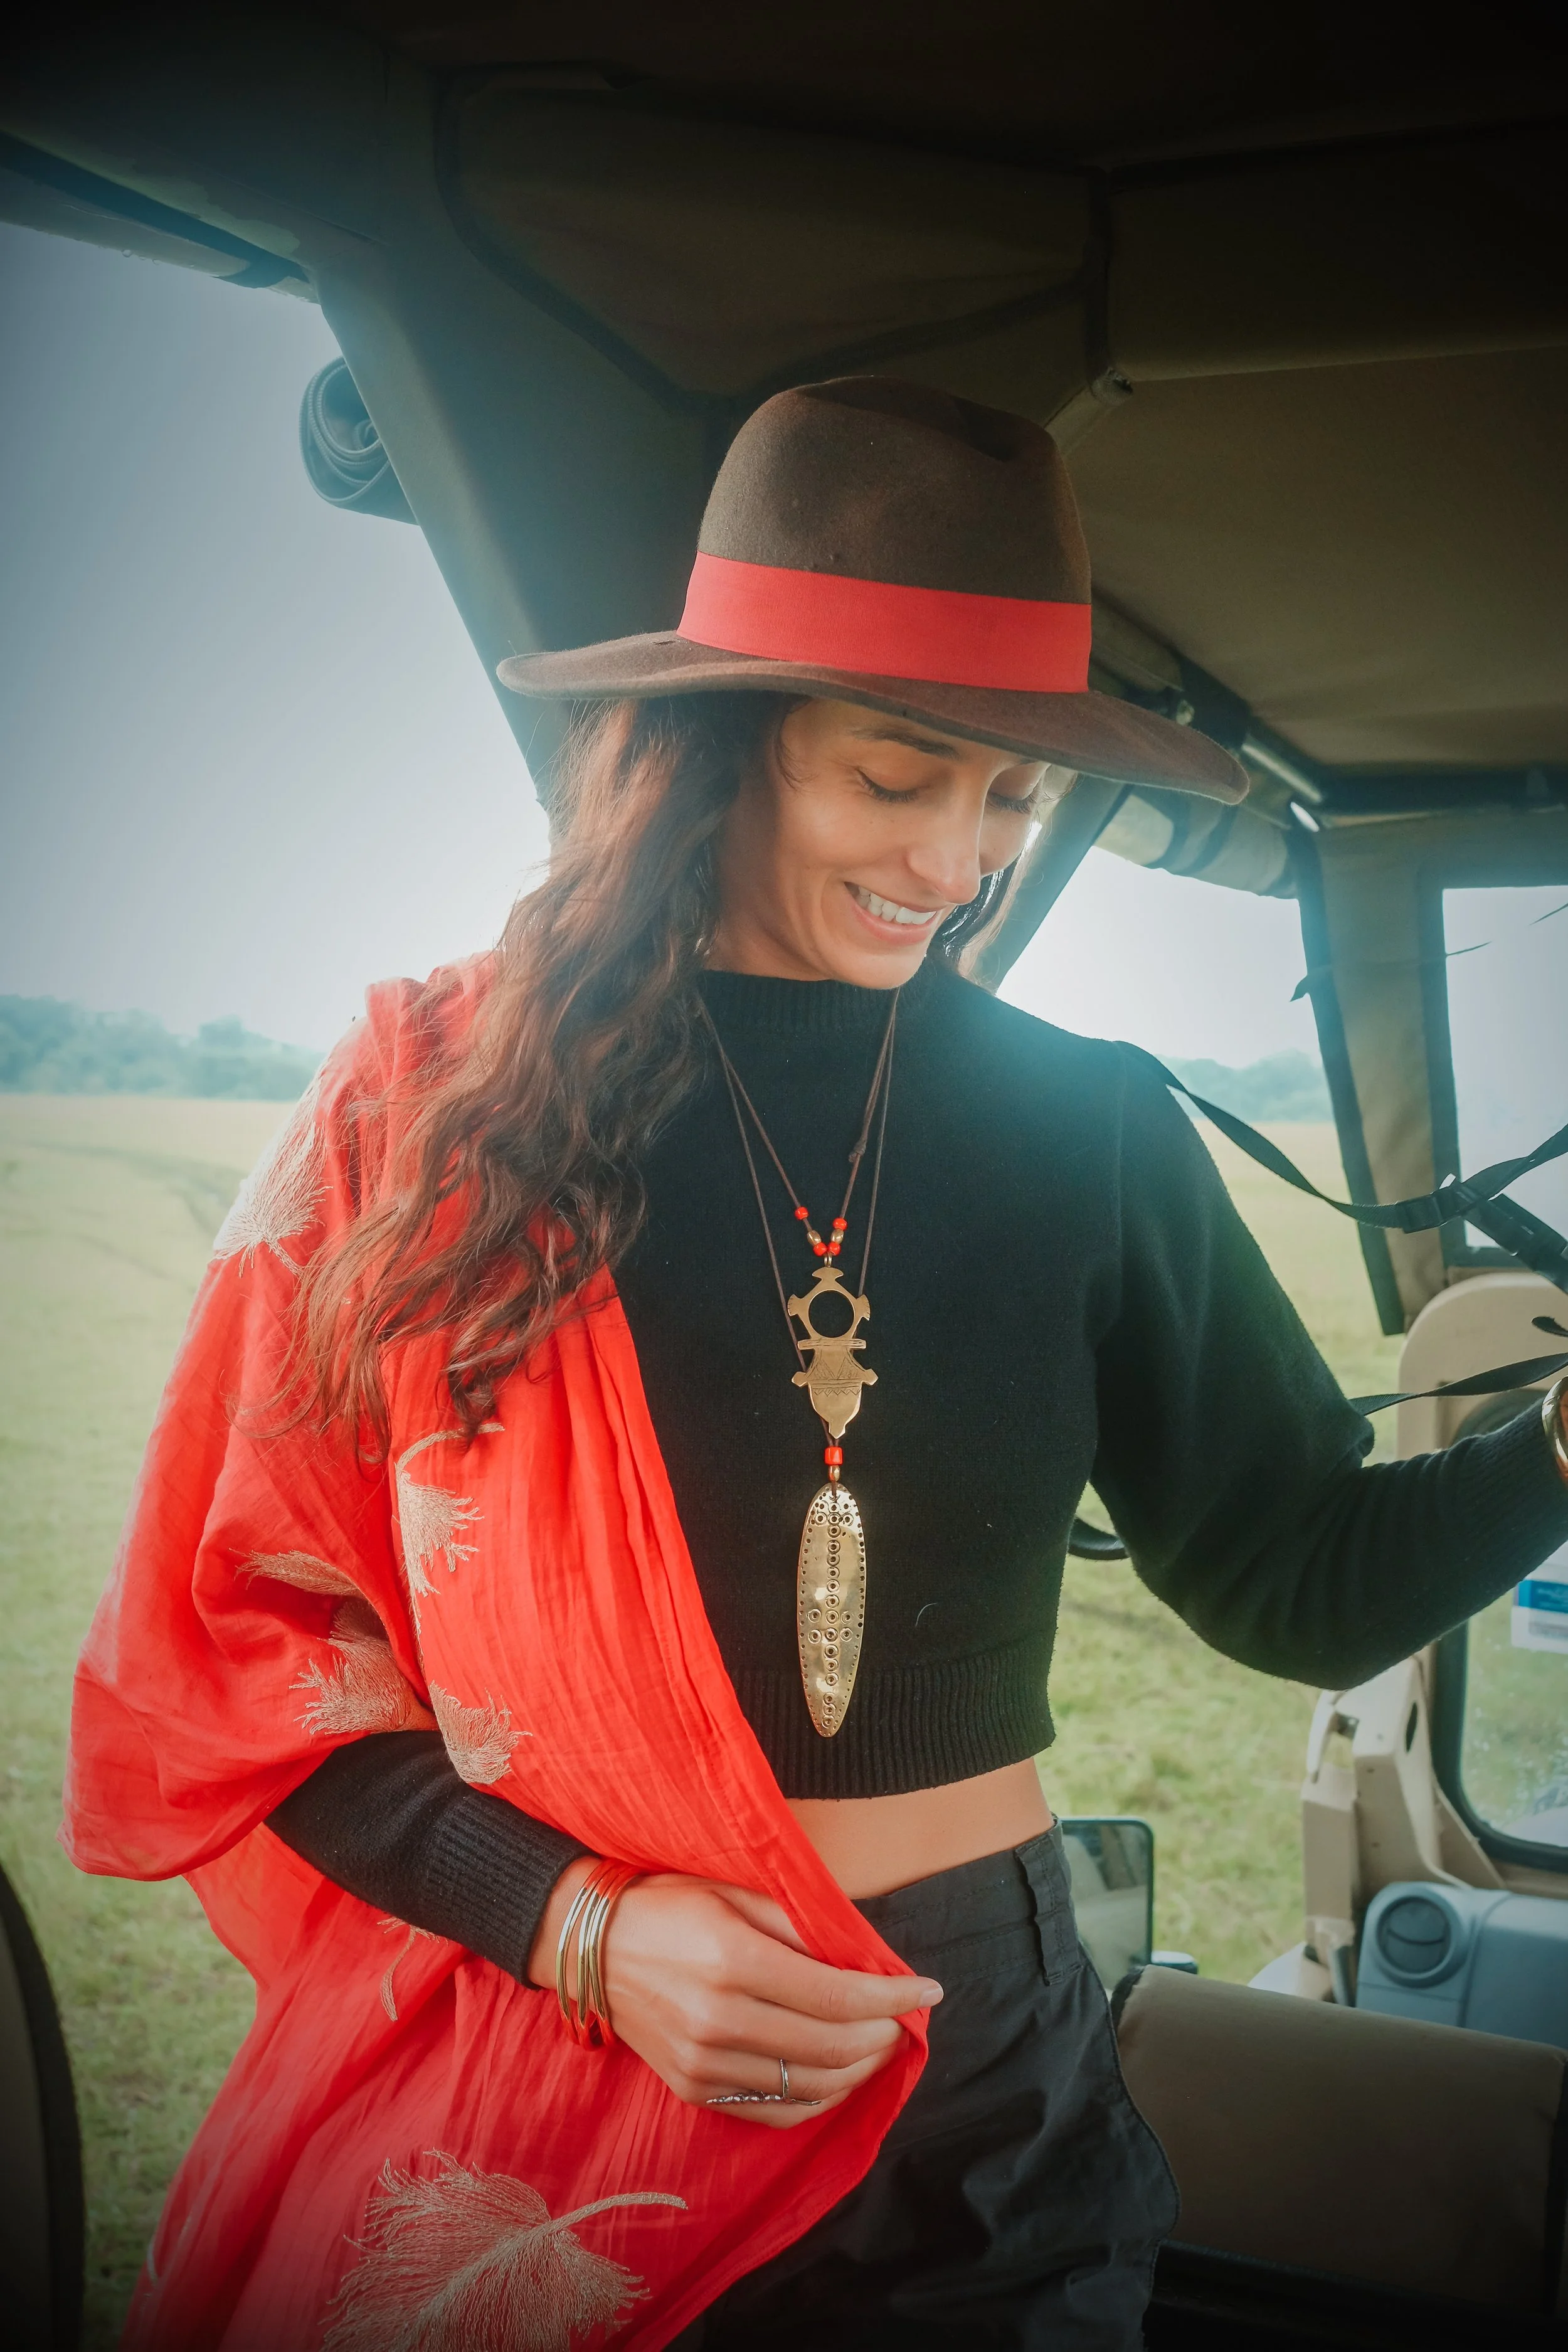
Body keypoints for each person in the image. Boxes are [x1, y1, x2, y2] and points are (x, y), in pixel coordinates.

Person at [65, 378, 1568, 2352]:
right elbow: (257, 1649)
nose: (957, 861)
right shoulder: (430, 1112)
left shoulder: (1093, 1126)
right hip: (566, 2044)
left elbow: (1291, 1572)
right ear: (718, 748)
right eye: (895, 775)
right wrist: (580, 1926)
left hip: (981, 2056)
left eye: (1011, 797)